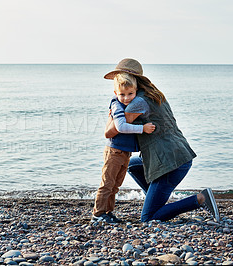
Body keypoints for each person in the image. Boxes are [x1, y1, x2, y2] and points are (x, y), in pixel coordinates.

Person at [104, 58, 220, 222]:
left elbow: (110, 132)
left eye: (121, 77)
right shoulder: (155, 94)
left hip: (169, 164)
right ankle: (155, 197)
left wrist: (113, 108)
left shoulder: (137, 103)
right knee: (132, 164)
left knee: (148, 218)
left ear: (133, 80)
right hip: (179, 154)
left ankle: (200, 199)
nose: (119, 81)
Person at [92, 72, 156, 224]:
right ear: (116, 93)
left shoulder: (132, 104)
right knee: (107, 184)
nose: (126, 98)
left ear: (136, 92)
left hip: (125, 152)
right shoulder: (116, 104)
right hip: (114, 151)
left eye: (130, 94)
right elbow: (120, 126)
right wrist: (142, 128)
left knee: (115, 185)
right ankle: (97, 214)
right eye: (122, 94)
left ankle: (108, 212)